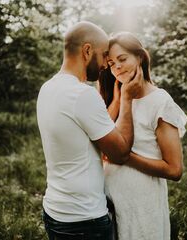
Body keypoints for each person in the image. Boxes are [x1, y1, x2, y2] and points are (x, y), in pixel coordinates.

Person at [36, 22, 142, 240]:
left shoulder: (48, 88)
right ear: (87, 51)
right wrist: (128, 99)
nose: (106, 63)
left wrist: (117, 100)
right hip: (84, 220)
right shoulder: (82, 95)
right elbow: (120, 153)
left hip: (55, 211)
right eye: (104, 55)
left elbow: (94, 123)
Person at [99, 32, 187, 240]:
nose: (117, 68)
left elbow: (174, 170)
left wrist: (125, 157)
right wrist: (120, 100)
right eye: (111, 63)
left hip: (142, 205)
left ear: (140, 57)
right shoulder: (117, 98)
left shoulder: (160, 102)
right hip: (110, 204)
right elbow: (100, 143)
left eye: (122, 59)